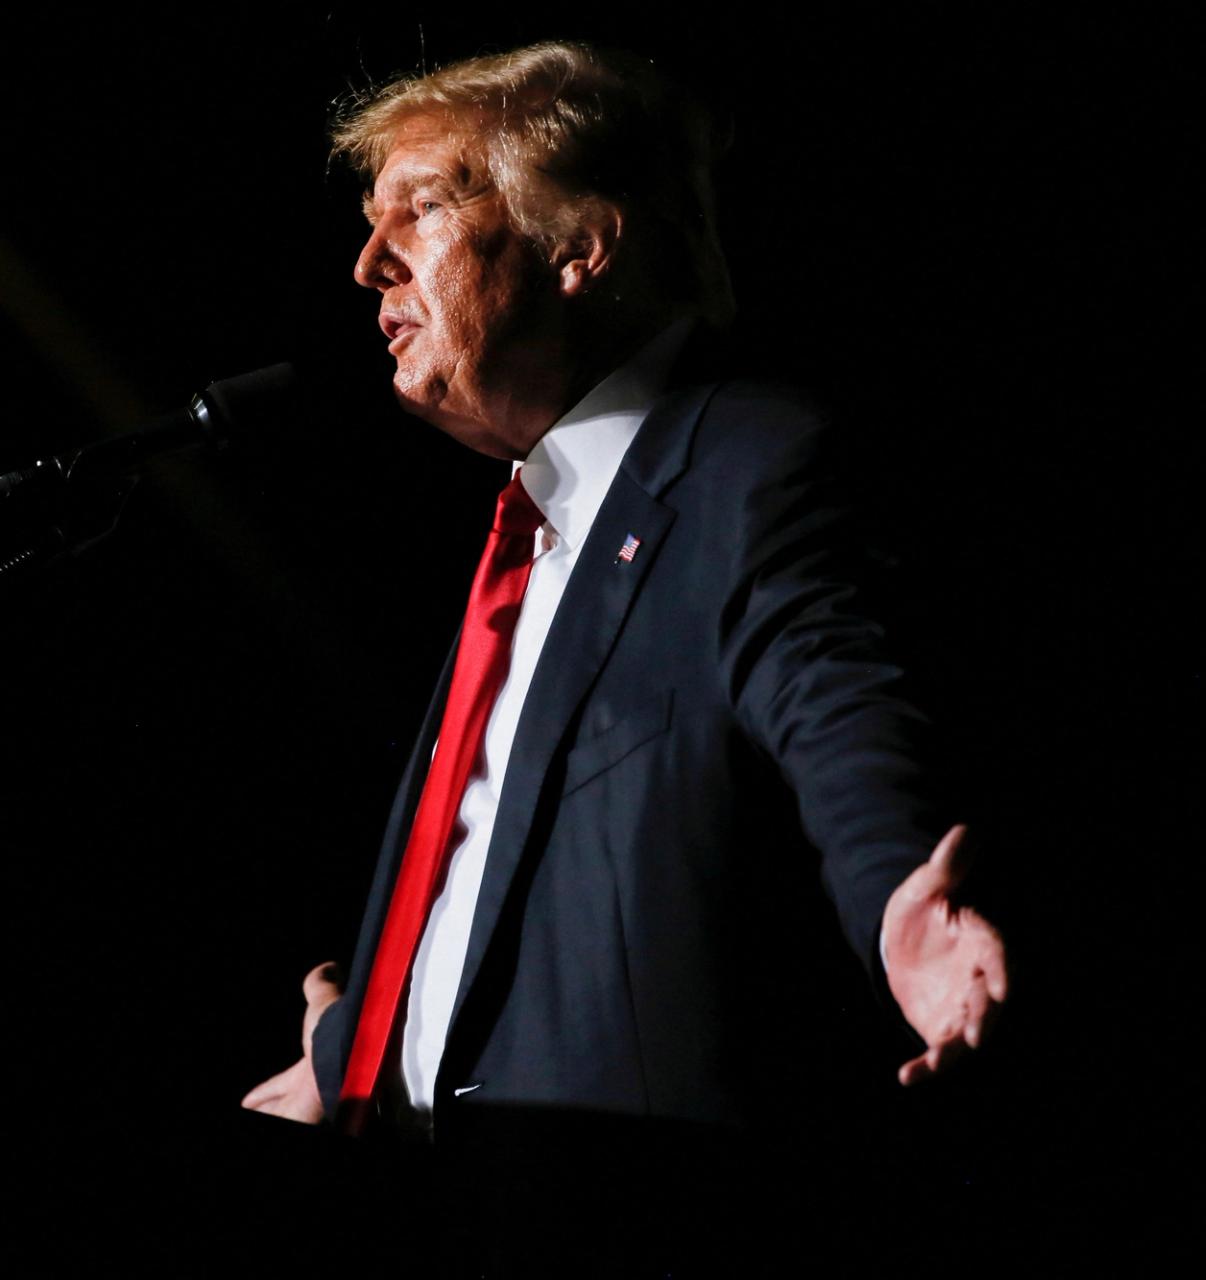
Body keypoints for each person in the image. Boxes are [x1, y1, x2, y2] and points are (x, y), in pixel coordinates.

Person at [243, 41, 1006, 1143]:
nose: (369, 262)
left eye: (417, 210)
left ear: (579, 248)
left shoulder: (747, 459)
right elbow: (516, 898)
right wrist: (357, 1046)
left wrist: (904, 906)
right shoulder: (534, 537)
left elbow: (836, 700)